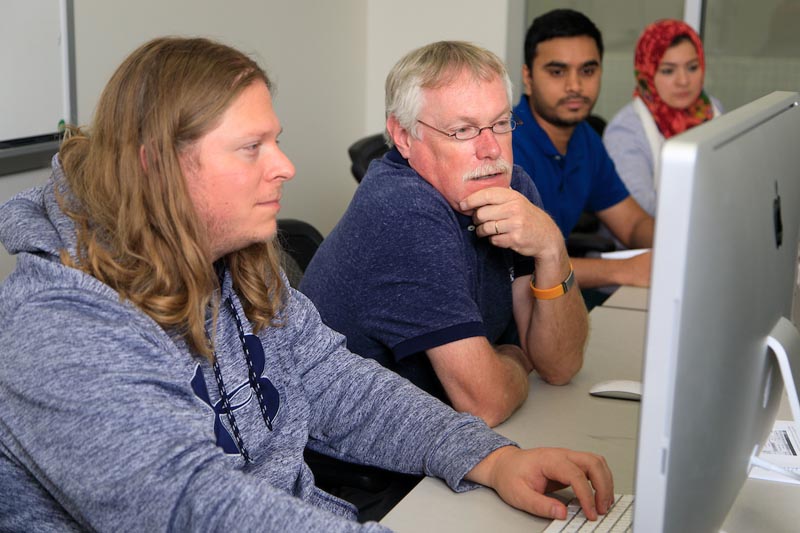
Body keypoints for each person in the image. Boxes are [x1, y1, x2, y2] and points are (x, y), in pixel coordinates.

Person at [0, 37, 613, 530]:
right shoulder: (57, 324)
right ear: (157, 165)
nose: (285, 166)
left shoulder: (235, 259)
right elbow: (191, 507)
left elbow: (334, 384)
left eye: (277, 140)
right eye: (251, 148)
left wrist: (491, 457)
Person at [301, 41, 588, 429]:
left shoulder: (511, 187)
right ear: (403, 137)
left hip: (445, 440)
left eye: (501, 124)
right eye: (463, 130)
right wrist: (520, 358)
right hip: (371, 471)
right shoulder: (403, 210)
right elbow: (485, 403)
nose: (491, 150)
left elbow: (558, 365)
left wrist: (553, 250)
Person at [512, 9, 654, 294]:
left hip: (557, 297)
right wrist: (624, 270)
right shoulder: (506, 143)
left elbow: (632, 224)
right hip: (511, 316)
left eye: (587, 71)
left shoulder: (585, 140)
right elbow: (519, 271)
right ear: (527, 77)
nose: (575, 86)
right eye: (557, 72)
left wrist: (677, 248)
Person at [603, 19, 723, 216]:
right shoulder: (626, 131)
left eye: (692, 67)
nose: (683, 81)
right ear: (646, 73)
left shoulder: (712, 109)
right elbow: (642, 214)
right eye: (668, 71)